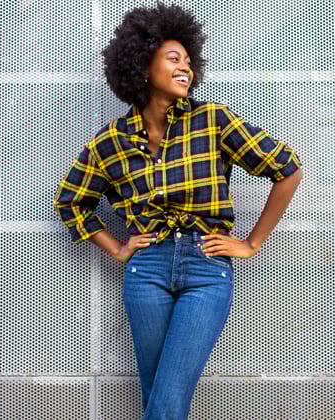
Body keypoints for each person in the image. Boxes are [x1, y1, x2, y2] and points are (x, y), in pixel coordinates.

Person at [53, 2, 303, 419]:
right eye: (173, 59)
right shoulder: (110, 141)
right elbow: (71, 201)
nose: (185, 67)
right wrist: (117, 248)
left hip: (206, 268)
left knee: (166, 402)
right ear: (142, 65)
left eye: (189, 61)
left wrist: (252, 243)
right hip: (145, 269)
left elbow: (287, 169)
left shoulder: (214, 121)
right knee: (159, 397)